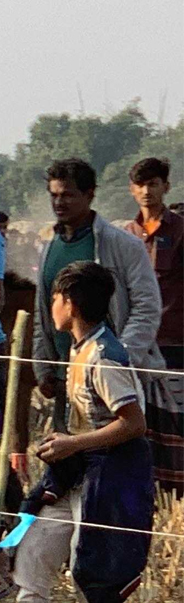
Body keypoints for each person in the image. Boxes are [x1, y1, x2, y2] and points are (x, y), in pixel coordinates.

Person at [11, 261, 154, 603]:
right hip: (80, 470)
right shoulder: (80, 348)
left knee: (91, 567)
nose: (51, 306)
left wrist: (73, 443)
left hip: (110, 475)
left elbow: (133, 423)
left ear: (70, 303)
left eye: (55, 297)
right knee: (32, 548)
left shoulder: (104, 356)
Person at [33, 158, 165, 447]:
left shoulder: (122, 244)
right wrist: (43, 367)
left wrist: (120, 359)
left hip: (110, 385)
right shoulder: (49, 248)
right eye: (54, 195)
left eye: (68, 195)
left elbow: (146, 306)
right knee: (68, 460)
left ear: (89, 194)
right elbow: (42, 312)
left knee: (114, 460)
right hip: (66, 378)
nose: (59, 202)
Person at [121, 157, 184, 497]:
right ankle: (151, 493)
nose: (147, 191)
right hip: (137, 344)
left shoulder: (180, 230)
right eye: (140, 185)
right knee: (142, 422)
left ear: (166, 187)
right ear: (132, 190)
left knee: (176, 422)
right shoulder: (126, 235)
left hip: (175, 341)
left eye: (154, 184)